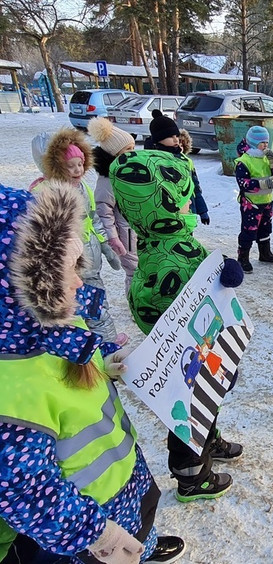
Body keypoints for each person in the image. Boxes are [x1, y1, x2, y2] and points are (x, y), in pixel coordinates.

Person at [0, 181, 184, 564]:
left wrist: (107, 362)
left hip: (124, 472)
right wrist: (103, 538)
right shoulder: (11, 389)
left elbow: (84, 355)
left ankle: (145, 547)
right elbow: (26, 490)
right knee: (125, 544)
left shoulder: (54, 326)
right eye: (67, 270)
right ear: (27, 290)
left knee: (142, 522)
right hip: (89, 523)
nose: (80, 281)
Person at [110, 143, 244, 504]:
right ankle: (191, 475)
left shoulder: (170, 240)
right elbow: (174, 297)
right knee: (188, 403)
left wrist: (224, 270)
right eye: (184, 196)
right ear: (167, 201)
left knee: (207, 398)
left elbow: (200, 273)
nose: (189, 203)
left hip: (199, 344)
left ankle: (209, 438)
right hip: (189, 350)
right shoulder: (168, 254)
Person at [37, 127, 128, 346]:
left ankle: (106, 342)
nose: (78, 170)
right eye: (71, 166)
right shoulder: (47, 191)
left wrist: (107, 245)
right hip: (70, 265)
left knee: (96, 301)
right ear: (57, 166)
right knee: (83, 307)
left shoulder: (83, 188)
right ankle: (104, 347)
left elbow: (94, 219)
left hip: (91, 260)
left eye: (80, 164)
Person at [88, 117, 138, 294]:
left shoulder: (131, 171)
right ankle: (135, 302)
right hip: (126, 235)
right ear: (115, 154)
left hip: (137, 230)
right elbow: (103, 211)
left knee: (145, 267)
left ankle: (147, 299)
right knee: (134, 271)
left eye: (133, 148)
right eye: (128, 150)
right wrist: (113, 238)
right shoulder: (108, 180)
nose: (133, 153)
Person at [145, 110, 210, 228]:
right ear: (158, 139)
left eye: (176, 136)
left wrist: (202, 210)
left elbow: (194, 187)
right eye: (170, 136)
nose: (176, 140)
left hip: (189, 211)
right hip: (165, 216)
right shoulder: (152, 161)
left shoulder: (184, 160)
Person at [234, 125, 273, 272]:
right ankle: (243, 257)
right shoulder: (244, 161)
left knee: (265, 228)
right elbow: (243, 184)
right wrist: (261, 183)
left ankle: (265, 253)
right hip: (251, 203)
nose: (265, 146)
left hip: (267, 201)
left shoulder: (266, 158)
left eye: (267, 143)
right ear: (254, 143)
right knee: (249, 230)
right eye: (262, 143)